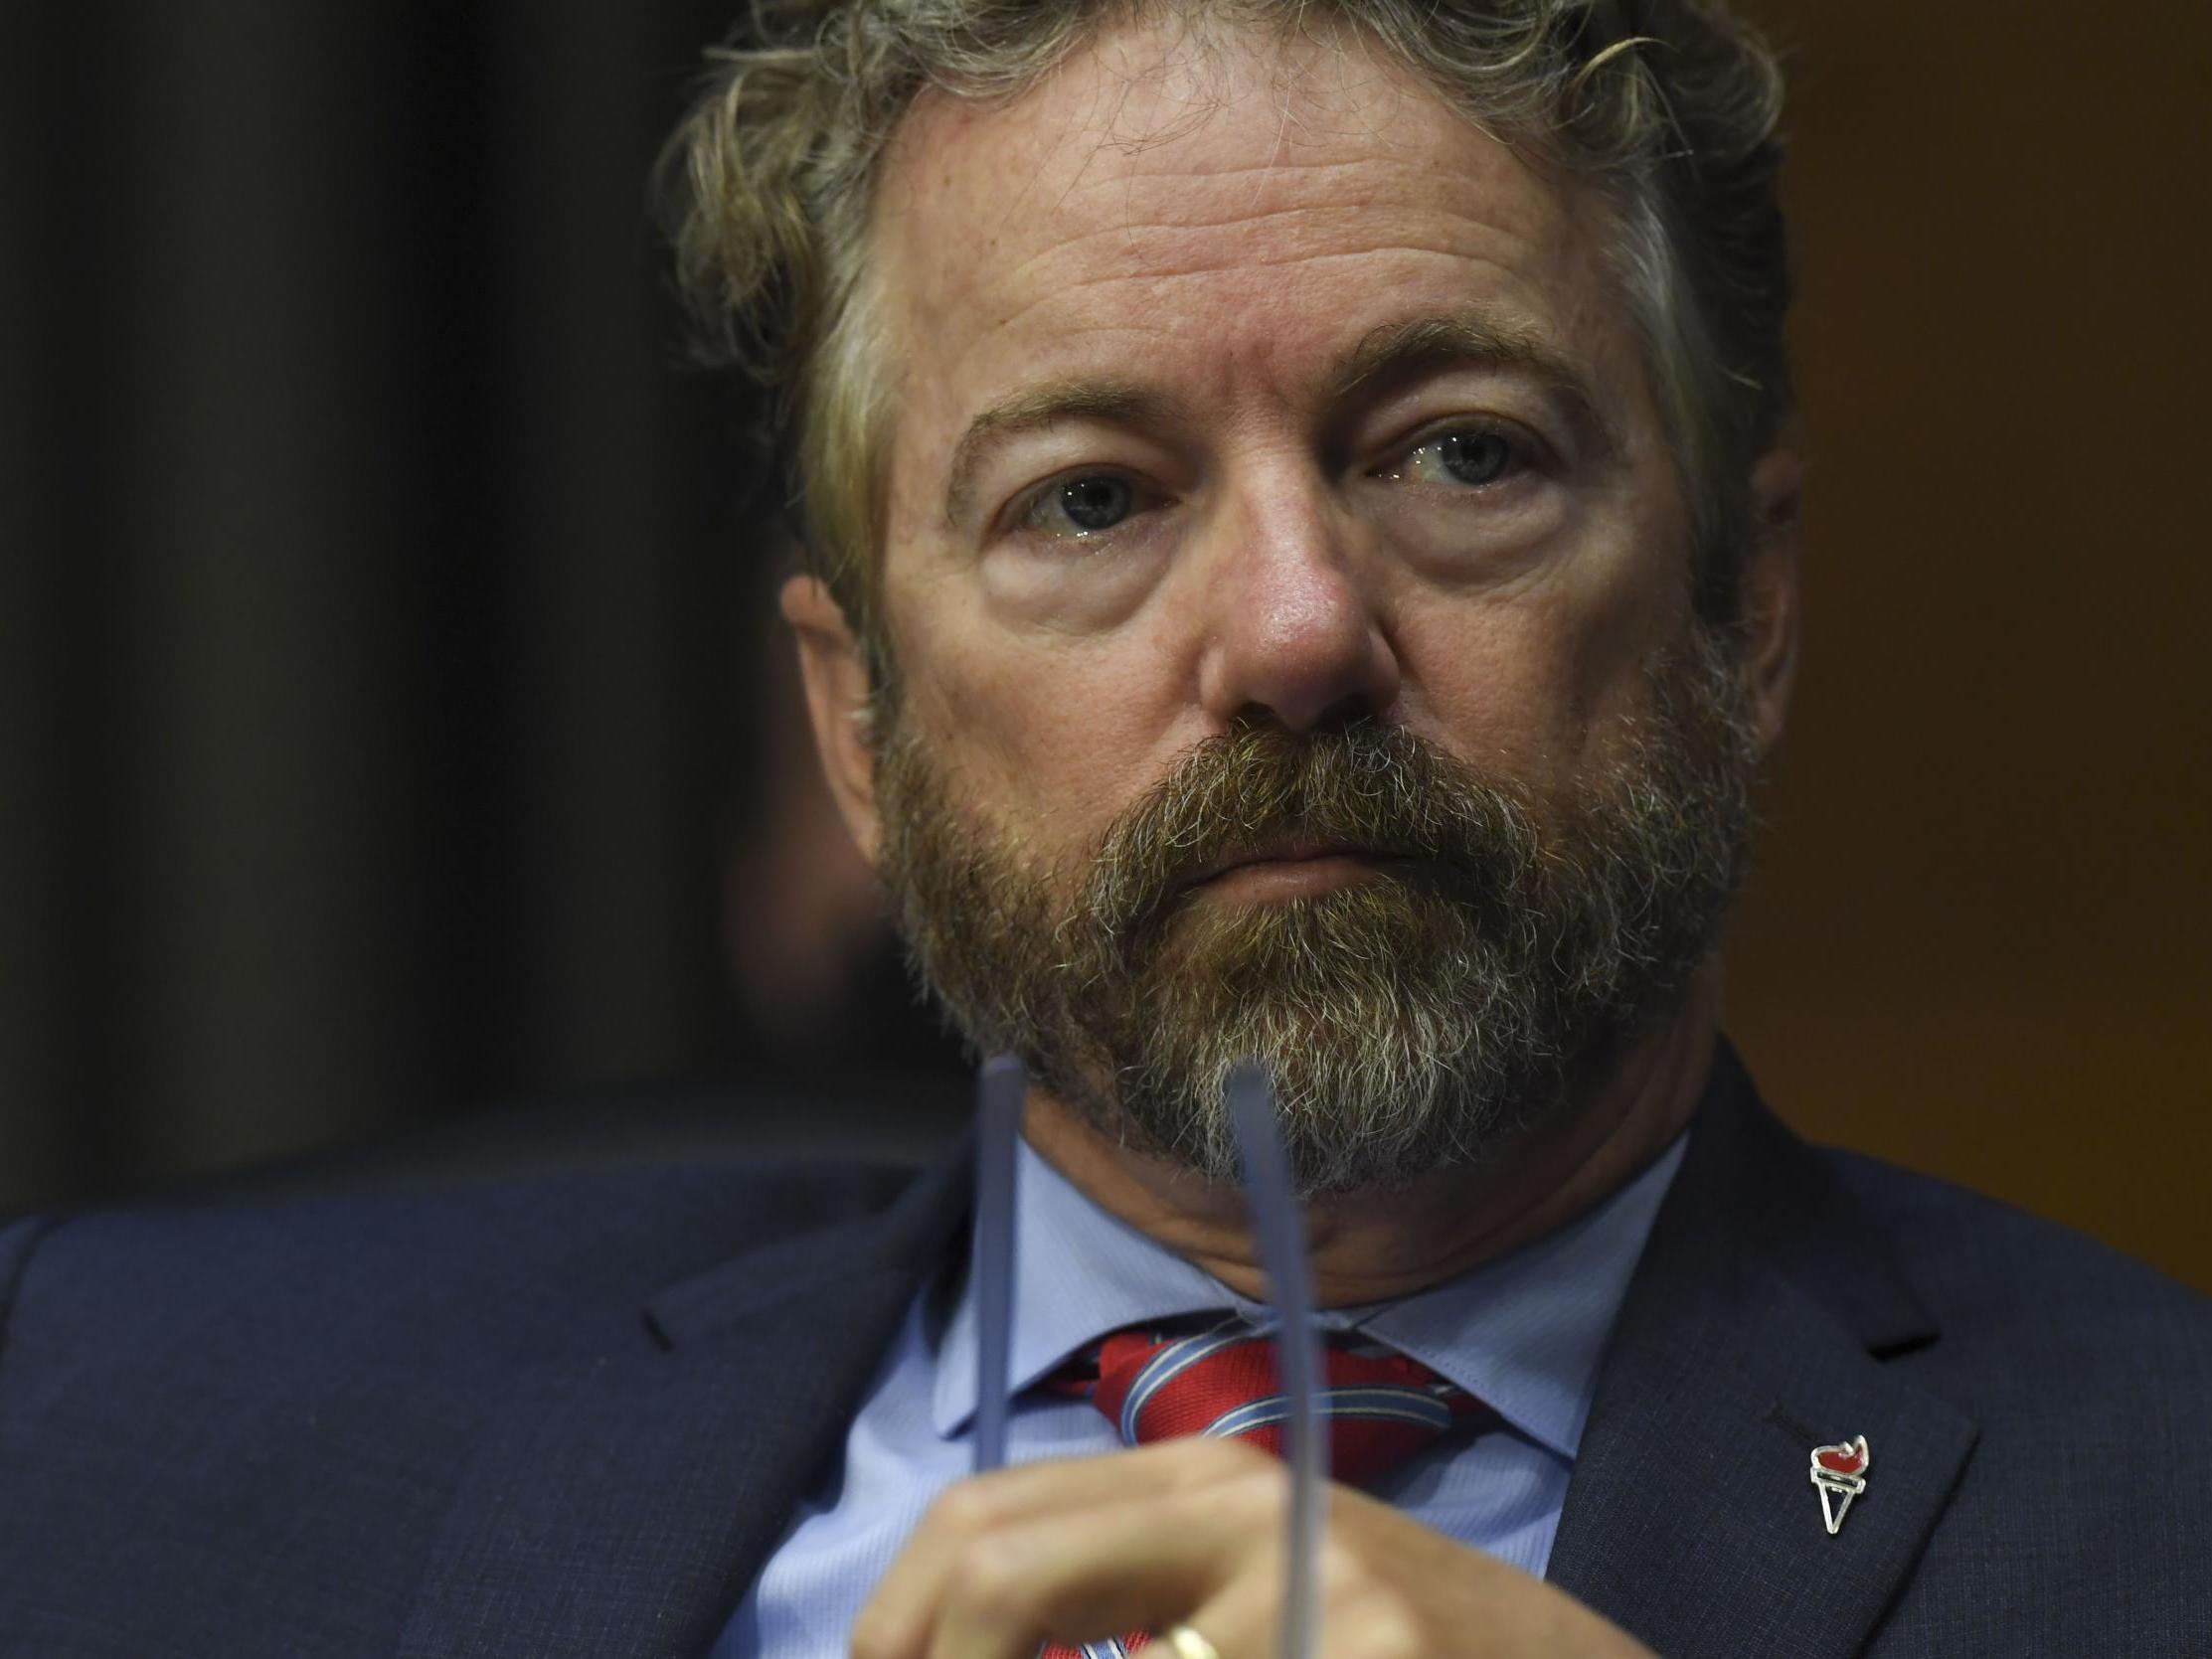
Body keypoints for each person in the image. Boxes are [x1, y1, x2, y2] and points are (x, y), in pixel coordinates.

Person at [1, 2, 2205, 1655]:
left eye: (1458, 454)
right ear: (859, 725)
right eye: (1088, 497)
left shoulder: (2157, 1512)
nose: (1293, 629)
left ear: (1750, 607)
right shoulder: (118, 1422)